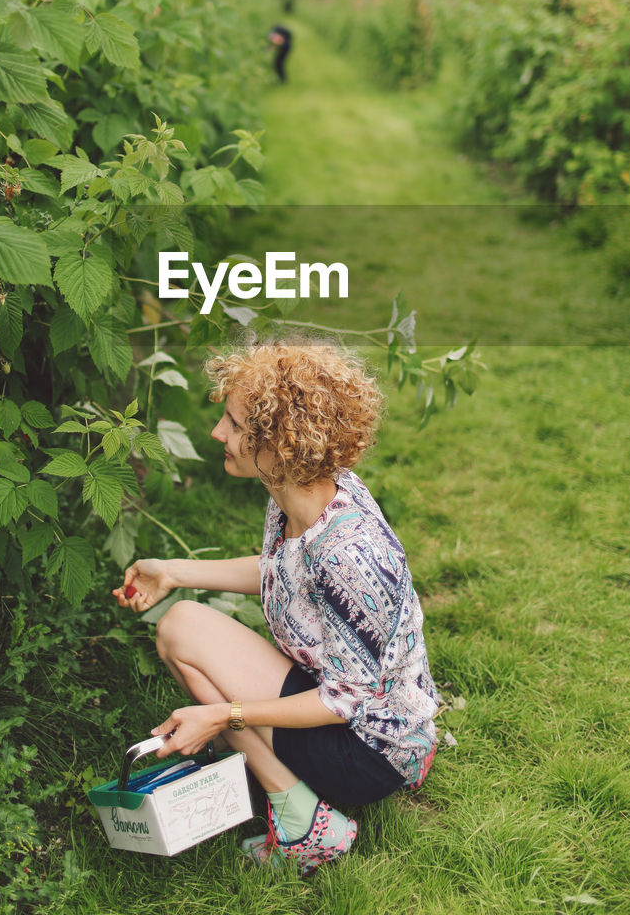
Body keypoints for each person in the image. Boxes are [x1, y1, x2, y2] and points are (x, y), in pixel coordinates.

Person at [112, 336, 439, 875]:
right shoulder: (299, 495)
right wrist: (172, 572)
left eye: (237, 426)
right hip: (352, 705)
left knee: (198, 664)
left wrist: (224, 715)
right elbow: (284, 573)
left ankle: (306, 824)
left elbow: (346, 701)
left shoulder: (348, 553)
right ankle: (271, 775)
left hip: (370, 749)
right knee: (181, 627)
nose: (219, 433)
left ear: (283, 443)